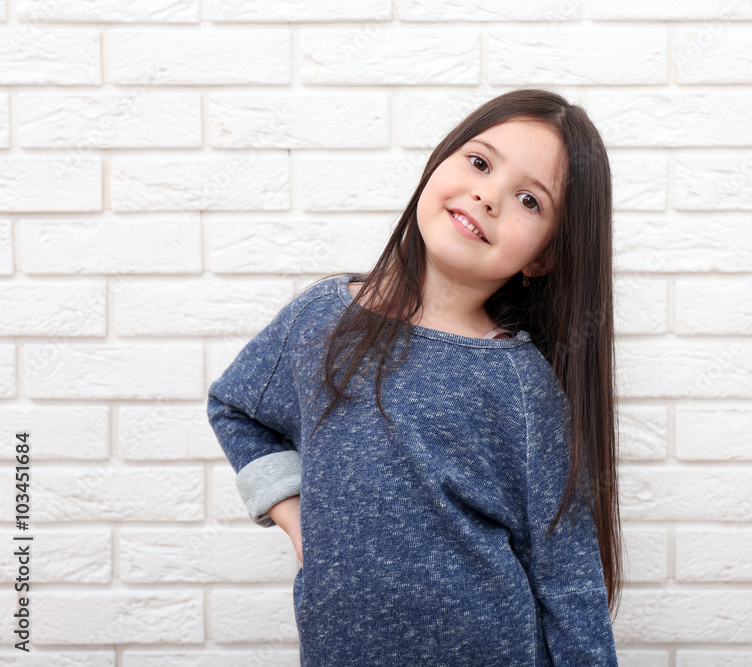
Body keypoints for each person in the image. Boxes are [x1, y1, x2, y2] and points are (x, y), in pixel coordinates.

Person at [207, 88, 622, 665]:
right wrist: (300, 522)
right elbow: (236, 409)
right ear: (440, 161)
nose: (487, 195)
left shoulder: (520, 385)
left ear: (544, 257)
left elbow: (567, 575)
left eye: (529, 199)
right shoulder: (321, 319)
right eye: (479, 162)